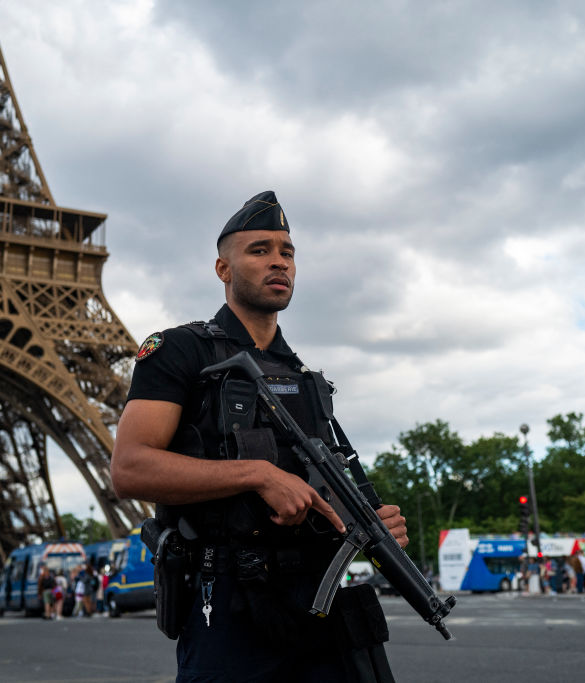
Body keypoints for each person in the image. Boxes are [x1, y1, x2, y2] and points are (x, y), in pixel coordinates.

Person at [111, 191, 408, 682]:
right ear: (222, 269)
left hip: (316, 596)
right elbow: (129, 468)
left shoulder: (304, 376)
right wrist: (256, 475)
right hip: (229, 600)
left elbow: (314, 484)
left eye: (287, 252)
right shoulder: (179, 350)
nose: (278, 262)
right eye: (259, 250)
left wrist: (363, 522)